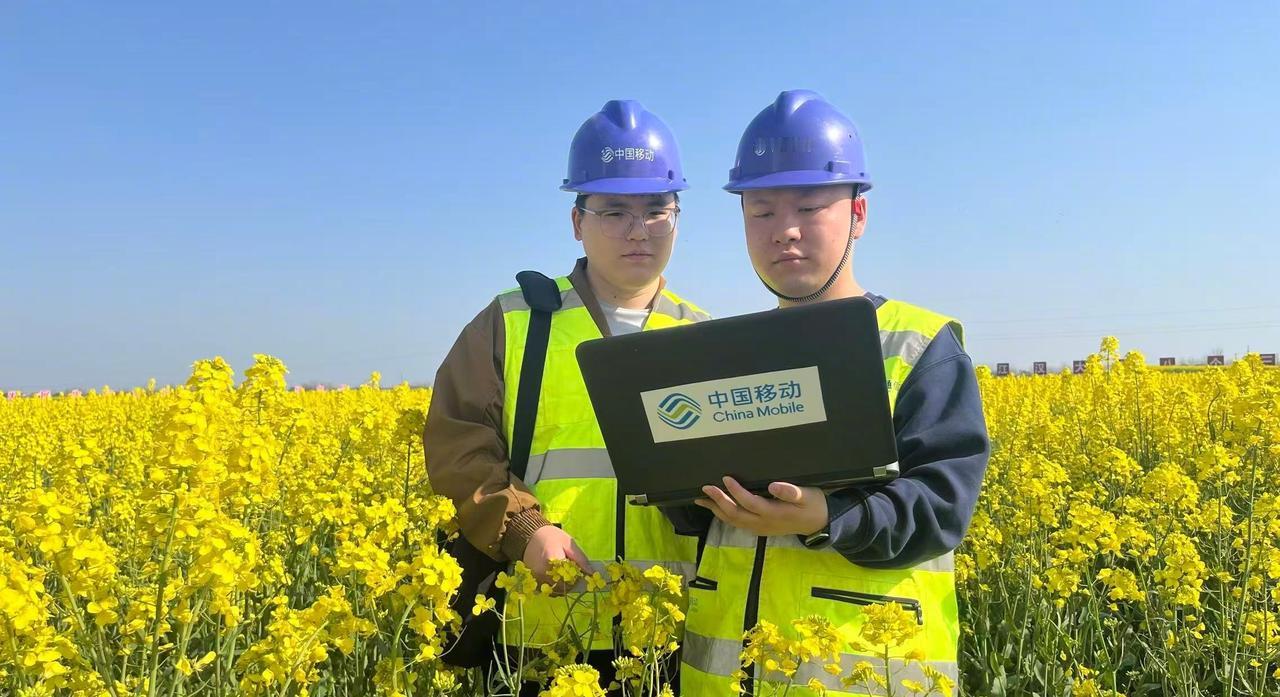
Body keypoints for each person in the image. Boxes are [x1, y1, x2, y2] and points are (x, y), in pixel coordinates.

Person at [673, 90, 990, 696]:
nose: (784, 232)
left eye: (810, 207)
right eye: (760, 211)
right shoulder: (722, 354)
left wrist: (827, 515)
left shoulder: (916, 345)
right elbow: (697, 515)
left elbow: (941, 507)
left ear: (858, 214)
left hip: (859, 674)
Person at [424, 99, 709, 691]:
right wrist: (524, 532)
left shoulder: (705, 335)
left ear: (678, 217)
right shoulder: (514, 320)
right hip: (539, 629)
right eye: (613, 211)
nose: (638, 230)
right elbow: (459, 446)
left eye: (657, 210)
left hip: (667, 633)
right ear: (577, 221)